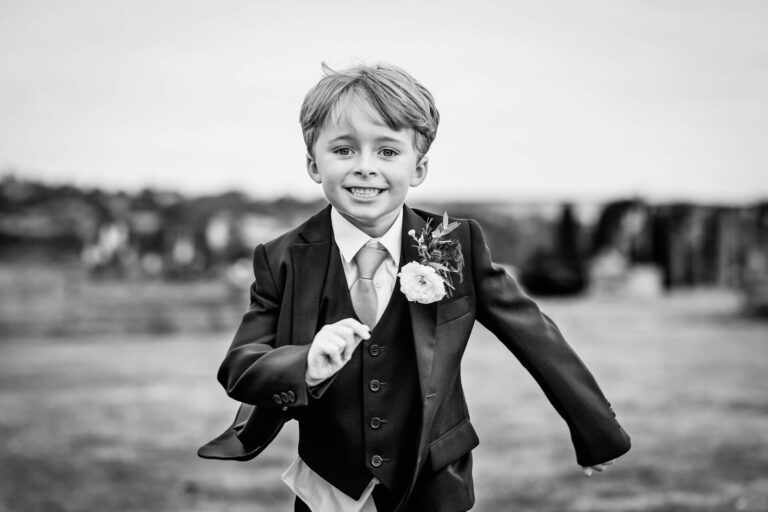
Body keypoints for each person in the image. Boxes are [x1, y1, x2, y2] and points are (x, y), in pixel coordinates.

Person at [199, 62, 631, 512]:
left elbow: (534, 335)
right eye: (344, 151)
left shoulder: (456, 243)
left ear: (419, 167)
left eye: (387, 152)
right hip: (328, 484)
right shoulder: (281, 256)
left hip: (435, 477)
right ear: (313, 163)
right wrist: (305, 363)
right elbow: (241, 366)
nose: (365, 168)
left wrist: (595, 428)